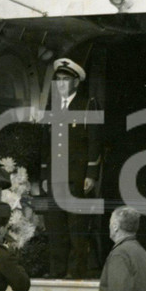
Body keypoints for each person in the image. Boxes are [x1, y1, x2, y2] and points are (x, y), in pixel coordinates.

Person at [40, 57, 103, 279]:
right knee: (56, 227)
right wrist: (44, 174)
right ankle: (56, 271)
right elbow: (46, 145)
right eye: (58, 80)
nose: (61, 84)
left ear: (76, 83)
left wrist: (91, 174)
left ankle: (75, 272)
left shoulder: (87, 105)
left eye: (65, 80)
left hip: (77, 177)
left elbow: (95, 142)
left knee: (77, 228)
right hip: (55, 178)